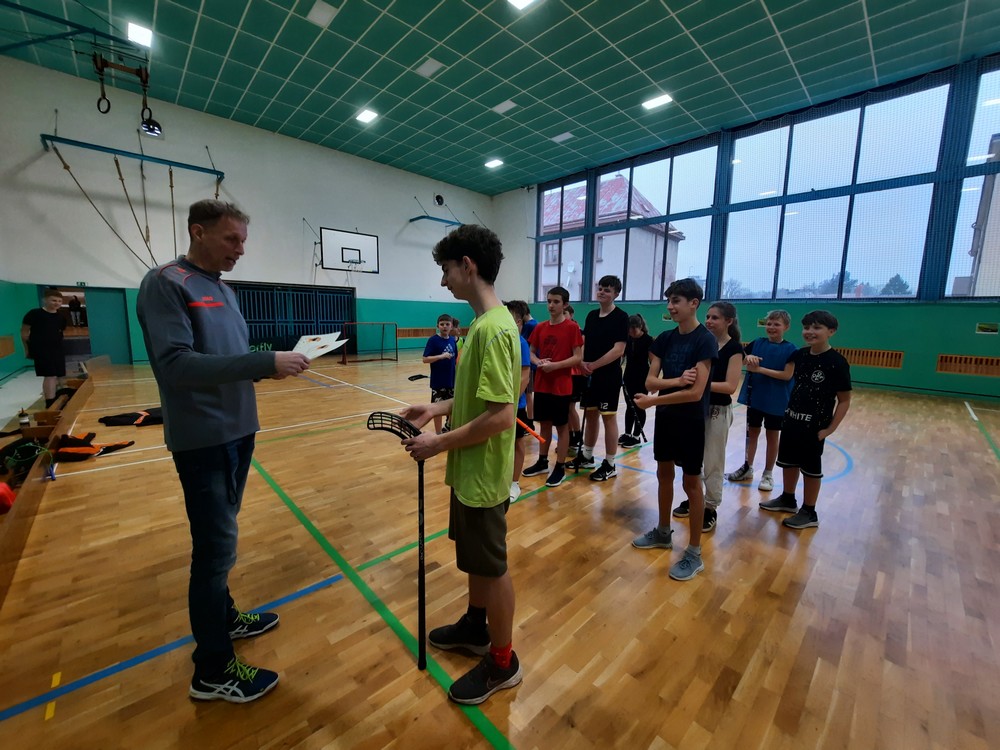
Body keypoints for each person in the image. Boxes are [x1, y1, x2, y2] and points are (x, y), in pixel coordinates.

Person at [136, 199, 311, 703]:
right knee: (214, 551)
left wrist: (265, 368)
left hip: (239, 432)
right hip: (203, 439)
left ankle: (225, 616)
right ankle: (211, 670)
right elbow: (176, 366)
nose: (241, 249)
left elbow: (226, 360)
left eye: (243, 240)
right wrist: (262, 362)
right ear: (199, 232)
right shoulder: (166, 283)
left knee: (222, 539)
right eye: (232, 239)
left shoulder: (224, 289)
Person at [400, 224, 522, 705]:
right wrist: (436, 407)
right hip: (472, 471)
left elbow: (502, 415)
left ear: (467, 266)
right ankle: (476, 626)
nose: (443, 280)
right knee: (476, 560)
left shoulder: (494, 329)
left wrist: (439, 443)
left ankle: (503, 661)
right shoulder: (481, 325)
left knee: (493, 567)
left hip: (485, 473)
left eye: (446, 269)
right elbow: (477, 398)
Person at [632, 278, 717, 581]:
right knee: (663, 474)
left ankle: (694, 551)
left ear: (694, 303)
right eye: (668, 300)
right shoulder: (665, 339)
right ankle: (663, 531)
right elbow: (649, 381)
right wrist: (678, 380)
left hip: (691, 421)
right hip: (667, 418)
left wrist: (654, 400)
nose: (670, 306)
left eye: (676, 301)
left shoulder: (705, 340)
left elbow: (695, 393)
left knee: (691, 483)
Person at [761, 311, 852, 529]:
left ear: (831, 331)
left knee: (810, 469)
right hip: (792, 421)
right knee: (788, 462)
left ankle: (809, 512)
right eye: (807, 327)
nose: (810, 332)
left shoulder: (837, 362)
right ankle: (788, 499)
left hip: (814, 428)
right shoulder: (799, 355)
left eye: (817, 328)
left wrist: (829, 429)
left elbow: (844, 400)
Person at [674, 302, 744, 533]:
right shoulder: (701, 342)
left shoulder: (734, 349)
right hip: (694, 407)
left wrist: (701, 384)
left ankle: (710, 507)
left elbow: (730, 386)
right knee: (691, 459)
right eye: (708, 317)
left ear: (728, 321)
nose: (709, 321)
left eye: (715, 318)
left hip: (716, 409)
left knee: (713, 461)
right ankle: (694, 498)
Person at [726, 309, 796, 492]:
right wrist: (747, 357)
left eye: (776, 324)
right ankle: (747, 467)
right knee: (752, 434)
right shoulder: (757, 343)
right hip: (756, 397)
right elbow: (741, 359)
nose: (771, 327)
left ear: (786, 327)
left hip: (777, 401)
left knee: (772, 436)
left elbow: (787, 375)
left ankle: (768, 473)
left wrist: (760, 370)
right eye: (769, 323)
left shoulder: (791, 350)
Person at [521, 287, 583, 488]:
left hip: (561, 386)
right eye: (549, 301)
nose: (551, 305)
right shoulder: (540, 327)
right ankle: (542, 461)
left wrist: (556, 366)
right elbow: (531, 352)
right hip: (542, 385)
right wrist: (537, 361)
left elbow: (578, 357)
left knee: (562, 427)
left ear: (565, 304)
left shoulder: (572, 328)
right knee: (545, 425)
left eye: (556, 301)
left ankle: (560, 466)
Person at [573, 276, 629, 481]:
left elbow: (618, 350)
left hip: (608, 377)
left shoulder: (621, 317)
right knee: (591, 415)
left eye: (607, 290)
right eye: (600, 288)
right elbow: (585, 341)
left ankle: (610, 464)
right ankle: (587, 456)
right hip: (590, 375)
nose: (602, 292)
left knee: (608, 417)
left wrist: (593, 365)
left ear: (616, 294)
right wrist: (581, 362)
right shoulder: (591, 315)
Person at [505, 301, 533, 502]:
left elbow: (525, 376)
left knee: (517, 443)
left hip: (516, 405)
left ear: (518, 321)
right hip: (501, 403)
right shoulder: (503, 340)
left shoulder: (521, 343)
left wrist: (513, 401)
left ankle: (514, 483)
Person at [21, 288, 66, 407]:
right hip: (41, 349)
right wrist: (27, 349)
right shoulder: (34, 314)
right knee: (50, 375)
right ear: (45, 300)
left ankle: (59, 397)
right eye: (53, 300)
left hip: (57, 348)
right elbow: (24, 333)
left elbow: (60, 332)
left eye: (59, 301)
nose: (57, 303)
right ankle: (49, 403)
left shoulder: (61, 317)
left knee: (59, 374)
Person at [620, 313, 653, 448]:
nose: (632, 332)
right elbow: (621, 356)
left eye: (635, 329)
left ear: (640, 327)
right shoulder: (627, 339)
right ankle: (628, 434)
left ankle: (636, 436)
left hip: (642, 377)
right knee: (629, 406)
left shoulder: (648, 340)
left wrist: (653, 381)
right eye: (630, 329)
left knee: (639, 406)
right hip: (628, 376)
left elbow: (653, 362)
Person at [422, 314, 457, 433]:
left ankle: (448, 427)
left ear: (451, 326)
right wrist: (441, 356)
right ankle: (438, 433)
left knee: (452, 406)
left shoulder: (452, 340)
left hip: (451, 381)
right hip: (438, 382)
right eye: (442, 324)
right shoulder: (433, 340)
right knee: (437, 409)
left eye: (447, 324)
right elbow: (425, 359)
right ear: (438, 326)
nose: (445, 326)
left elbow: (455, 360)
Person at [564, 304, 585, 457]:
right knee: (565, 409)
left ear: (571, 314)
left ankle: (577, 437)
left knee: (570, 408)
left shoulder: (578, 331)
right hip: (564, 373)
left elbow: (579, 356)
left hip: (575, 374)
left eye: (565, 313)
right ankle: (570, 438)